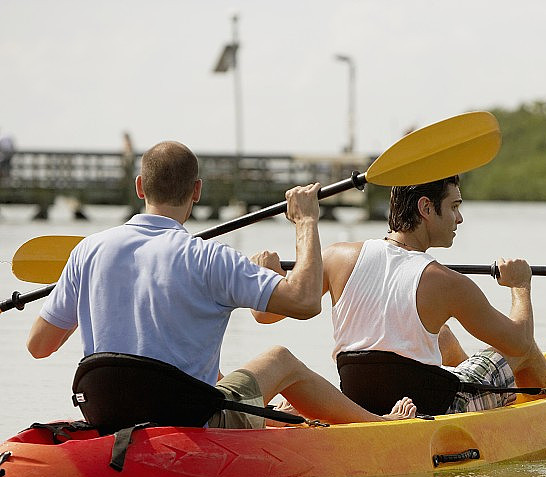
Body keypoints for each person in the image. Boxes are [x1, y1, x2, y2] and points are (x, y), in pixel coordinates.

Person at [26, 140, 416, 428]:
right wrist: (306, 222)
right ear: (197, 191)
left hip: (108, 412)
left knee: (218, 378)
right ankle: (378, 426)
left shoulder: (87, 252)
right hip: (187, 419)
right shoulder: (210, 259)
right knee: (279, 359)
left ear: (140, 187)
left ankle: (279, 418)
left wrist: (94, 294)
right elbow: (305, 301)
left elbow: (39, 346)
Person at [256, 175, 546, 415]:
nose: (459, 218)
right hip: (435, 407)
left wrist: (269, 277)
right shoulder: (447, 282)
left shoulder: (335, 255)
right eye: (454, 206)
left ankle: (470, 378)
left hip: (360, 402)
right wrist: (521, 286)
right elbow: (518, 342)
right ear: (426, 208)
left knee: (442, 337)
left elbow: (264, 315)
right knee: (524, 347)